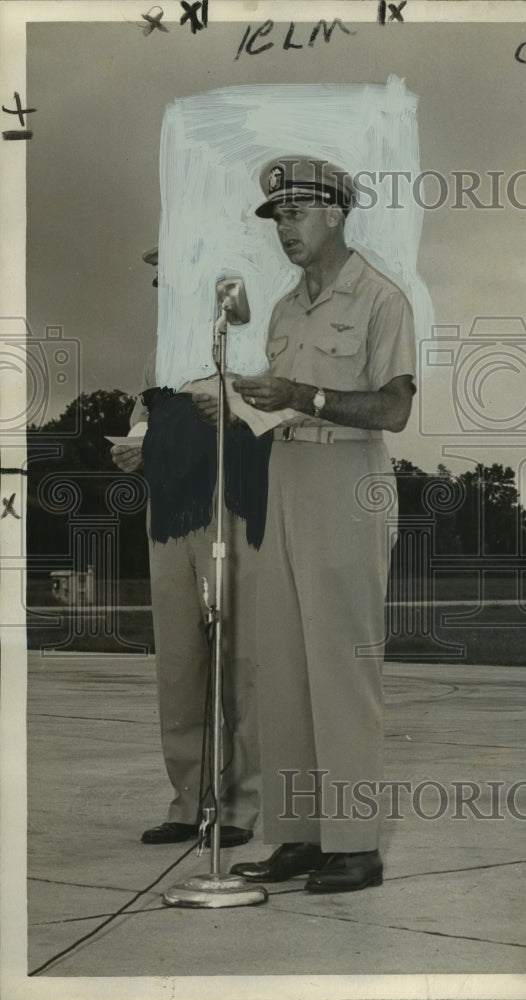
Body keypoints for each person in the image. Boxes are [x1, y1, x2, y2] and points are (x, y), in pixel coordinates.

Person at [229, 156, 416, 892]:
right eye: (276, 216)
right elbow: (280, 404)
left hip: (347, 478)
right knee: (284, 666)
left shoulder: (380, 298)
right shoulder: (282, 308)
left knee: (341, 665)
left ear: (336, 212)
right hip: (286, 476)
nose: (284, 228)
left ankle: (356, 845)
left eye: (296, 212)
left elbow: (393, 410)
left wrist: (300, 393)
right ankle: (300, 835)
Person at [111, 248, 268, 848]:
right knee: (178, 664)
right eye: (157, 275)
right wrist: (133, 443)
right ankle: (188, 801)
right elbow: (142, 417)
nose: (161, 282)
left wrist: (230, 412)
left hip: (231, 508)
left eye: (171, 272)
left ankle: (241, 805)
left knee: (240, 660)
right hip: (168, 516)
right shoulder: (158, 353)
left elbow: (269, 416)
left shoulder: (244, 340)